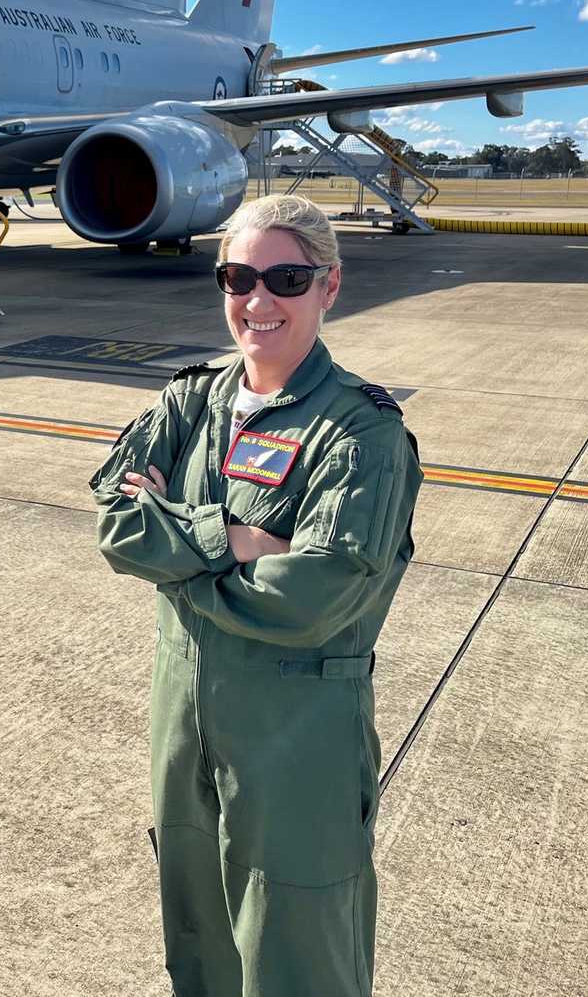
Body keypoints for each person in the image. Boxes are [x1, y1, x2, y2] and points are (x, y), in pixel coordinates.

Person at [91, 194, 421, 997]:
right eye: (240, 276)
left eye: (287, 278)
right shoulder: (192, 398)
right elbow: (114, 520)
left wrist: (176, 545)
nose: (258, 300)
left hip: (296, 740)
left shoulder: (361, 434)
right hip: (182, 727)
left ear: (329, 287)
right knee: (198, 943)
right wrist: (234, 541)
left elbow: (309, 597)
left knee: (298, 956)